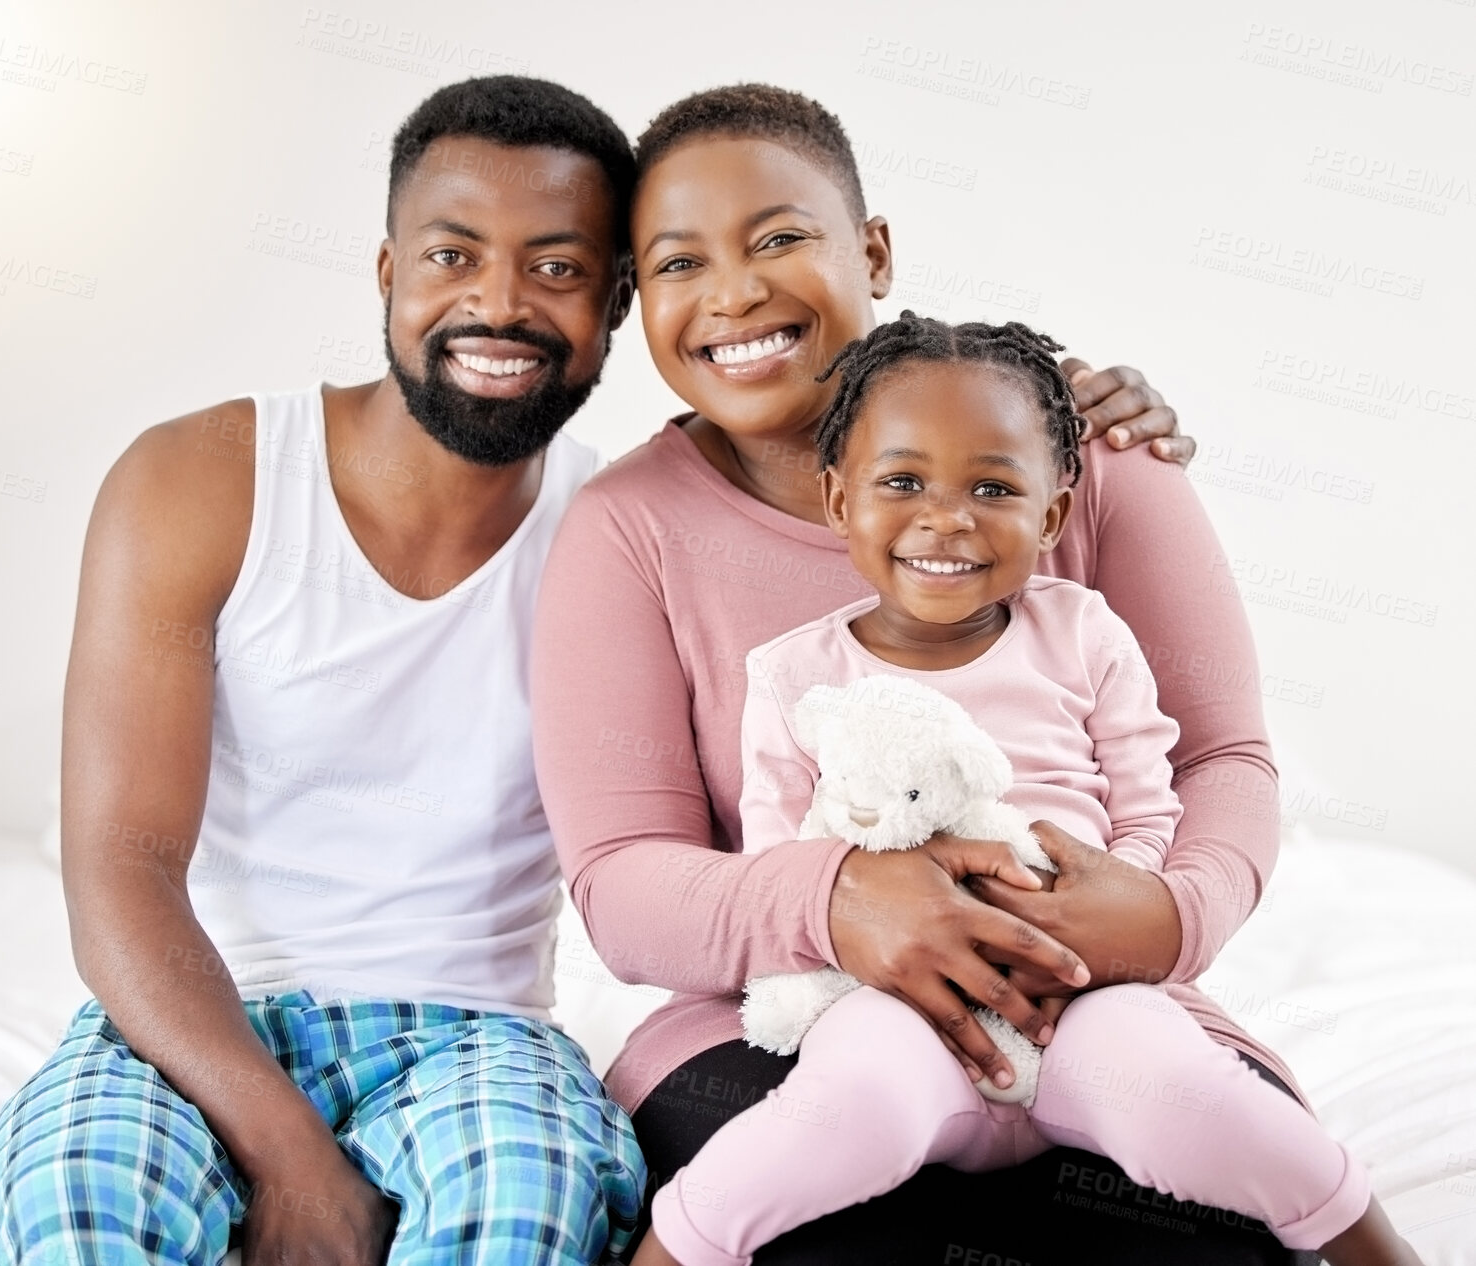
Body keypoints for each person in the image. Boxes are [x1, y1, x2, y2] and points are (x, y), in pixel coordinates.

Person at [530, 85, 1315, 1264]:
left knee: (1220, 1230)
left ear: (875, 251)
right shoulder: (627, 528)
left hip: (1100, 1003)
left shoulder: (1088, 454)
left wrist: (1169, 914)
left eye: (781, 237)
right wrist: (839, 898)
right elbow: (621, 882)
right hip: (788, 1030)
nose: (735, 292)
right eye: (679, 262)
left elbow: (1223, 757)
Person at [0, 76, 645, 1266]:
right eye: (452, 254)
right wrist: (290, 1153)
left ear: (617, 300)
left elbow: (879, 500)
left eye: (557, 266)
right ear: (388, 273)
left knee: (523, 1207)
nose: (498, 302)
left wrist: (1068, 423)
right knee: (80, 1209)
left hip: (478, 1037)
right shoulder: (203, 477)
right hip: (189, 1017)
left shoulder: (628, 530)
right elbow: (119, 863)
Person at [626, 313, 1421, 1266]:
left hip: (1083, 998)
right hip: (897, 1004)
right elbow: (786, 860)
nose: (947, 517)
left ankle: (1384, 1250)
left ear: (1051, 515)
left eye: (993, 488)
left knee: (1206, 1104)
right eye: (903, 482)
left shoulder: (1084, 632)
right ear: (840, 500)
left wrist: (1115, 913)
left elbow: (1149, 797)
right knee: (831, 1117)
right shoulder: (795, 675)